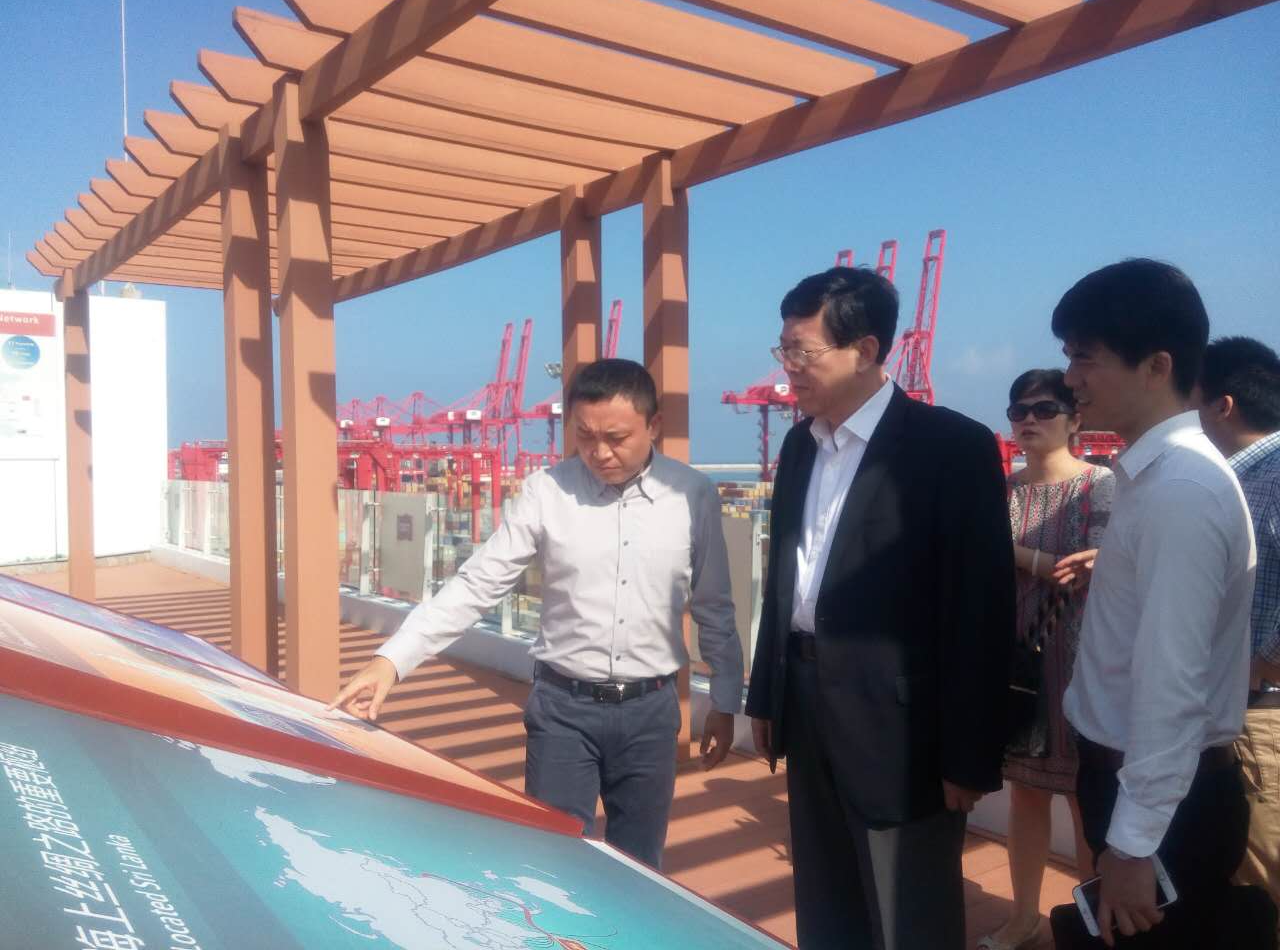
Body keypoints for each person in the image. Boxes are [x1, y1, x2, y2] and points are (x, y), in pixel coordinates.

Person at [329, 359, 743, 869]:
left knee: (640, 868)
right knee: (550, 862)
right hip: (563, 710)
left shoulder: (692, 495)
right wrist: (392, 660)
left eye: (616, 438)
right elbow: (479, 583)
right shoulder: (547, 492)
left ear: (653, 425)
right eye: (585, 435)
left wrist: (725, 699)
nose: (599, 452)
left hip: (651, 714)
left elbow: (713, 604)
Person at [745, 265, 1015, 950]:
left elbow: (980, 608)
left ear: (865, 350)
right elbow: (786, 582)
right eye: (783, 349)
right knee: (826, 900)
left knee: (909, 914)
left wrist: (970, 756)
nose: (788, 369)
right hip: (807, 702)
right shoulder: (800, 445)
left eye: (802, 351)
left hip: (905, 731)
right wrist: (767, 695)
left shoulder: (950, 447)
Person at [1045, 259, 1257, 949]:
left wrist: (1135, 844)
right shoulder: (1156, 476)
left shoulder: (1180, 490)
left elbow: (1173, 684)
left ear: (1156, 366)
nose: (1070, 377)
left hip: (1164, 805)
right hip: (1146, 787)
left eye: (1086, 357)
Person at [979, 369, 1115, 950]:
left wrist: (1014, 554)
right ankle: (1024, 916)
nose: (1029, 419)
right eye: (1019, 411)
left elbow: (1100, 568)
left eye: (1044, 409)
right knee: (1026, 792)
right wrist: (1041, 562)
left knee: (1087, 797)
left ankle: (1092, 919)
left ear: (1075, 419)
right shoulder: (1002, 490)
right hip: (1019, 666)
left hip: (1084, 662)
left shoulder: (1099, 485)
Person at [1197, 336, 1280, 920]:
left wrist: (1261, 662)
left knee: (1264, 881)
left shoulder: (1267, 476)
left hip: (1262, 714)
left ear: (1222, 406)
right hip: (1247, 711)